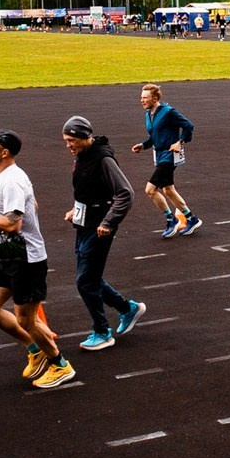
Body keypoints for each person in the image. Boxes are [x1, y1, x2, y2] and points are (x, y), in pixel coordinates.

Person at [0, 129, 71, 389]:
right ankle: (35, 350)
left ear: (5, 152)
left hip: (27, 260)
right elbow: (31, 206)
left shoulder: (11, 179)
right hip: (9, 256)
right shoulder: (5, 176)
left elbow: (13, 224)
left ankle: (60, 365)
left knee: (26, 319)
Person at [62, 114, 143, 351]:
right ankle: (128, 309)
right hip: (84, 223)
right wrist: (75, 210)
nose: (68, 145)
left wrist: (108, 222)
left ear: (85, 137)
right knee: (90, 277)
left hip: (99, 228)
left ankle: (102, 331)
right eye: (66, 140)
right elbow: (91, 190)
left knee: (85, 281)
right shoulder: (83, 155)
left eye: (71, 140)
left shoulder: (103, 159)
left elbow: (125, 193)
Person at [133, 84, 200, 238]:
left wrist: (180, 142)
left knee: (150, 190)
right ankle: (191, 218)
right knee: (168, 190)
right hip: (159, 155)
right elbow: (155, 136)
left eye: (145, 98)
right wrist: (143, 145)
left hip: (169, 156)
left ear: (155, 98)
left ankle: (171, 220)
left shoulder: (168, 112)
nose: (141, 100)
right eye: (141, 97)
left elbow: (189, 126)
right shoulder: (148, 114)